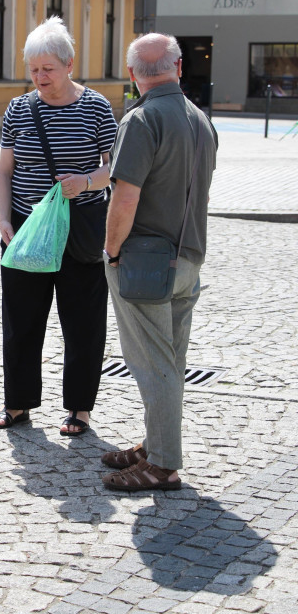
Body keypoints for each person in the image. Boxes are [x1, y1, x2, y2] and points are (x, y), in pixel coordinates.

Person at [0, 16, 117, 435]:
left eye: (48, 68)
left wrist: (85, 182)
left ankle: (79, 409)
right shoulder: (19, 108)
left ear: (69, 65)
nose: (39, 77)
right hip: (26, 229)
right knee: (21, 319)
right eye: (33, 69)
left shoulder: (95, 106)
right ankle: (18, 404)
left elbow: (114, 168)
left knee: (82, 321)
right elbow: (4, 170)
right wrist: (4, 218)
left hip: (79, 228)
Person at [102, 33, 218, 491]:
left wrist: (111, 252)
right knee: (169, 359)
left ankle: (163, 463)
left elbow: (124, 198)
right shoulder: (200, 119)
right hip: (188, 256)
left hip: (147, 263)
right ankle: (155, 445)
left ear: (132, 75)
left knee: (155, 365)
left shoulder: (143, 118)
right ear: (179, 68)